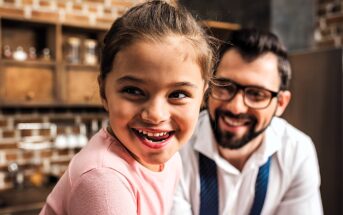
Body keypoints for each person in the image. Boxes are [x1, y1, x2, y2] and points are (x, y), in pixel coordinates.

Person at [40, 1, 214, 214]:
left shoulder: (171, 159)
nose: (155, 115)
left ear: (203, 96)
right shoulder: (104, 178)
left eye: (178, 94)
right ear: (104, 91)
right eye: (133, 91)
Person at [171, 28, 323, 215]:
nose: (236, 107)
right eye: (225, 87)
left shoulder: (297, 151)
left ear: (281, 103)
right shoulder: (176, 147)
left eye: (257, 94)